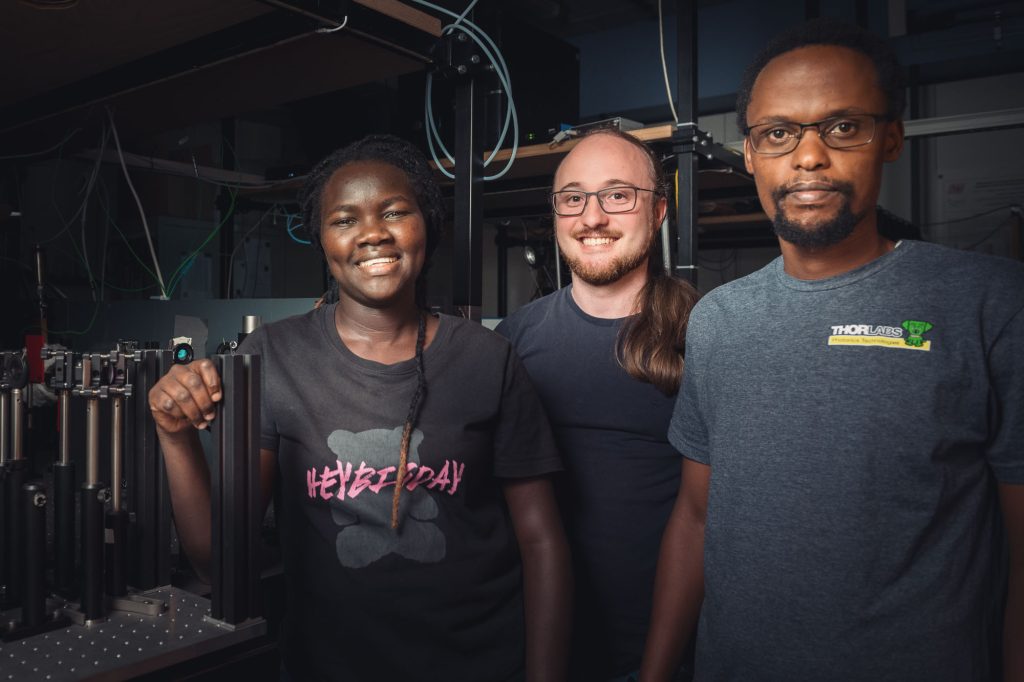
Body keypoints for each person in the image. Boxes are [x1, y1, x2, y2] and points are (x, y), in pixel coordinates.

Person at [641, 18, 1024, 682]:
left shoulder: (987, 303)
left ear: (892, 139)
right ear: (753, 154)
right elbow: (697, 519)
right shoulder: (719, 321)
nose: (809, 157)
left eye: (843, 126)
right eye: (779, 133)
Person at [149, 135, 571, 682]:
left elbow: (542, 542)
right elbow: (219, 558)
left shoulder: (489, 359)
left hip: (480, 664)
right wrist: (175, 437)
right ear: (323, 240)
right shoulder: (274, 357)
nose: (372, 233)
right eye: (345, 220)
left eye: (395, 212)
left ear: (428, 225)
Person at [497, 128, 700, 681]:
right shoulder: (513, 339)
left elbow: (709, 518)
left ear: (658, 211)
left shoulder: (704, 335)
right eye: (573, 198)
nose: (592, 217)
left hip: (663, 655)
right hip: (535, 649)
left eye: (617, 195)